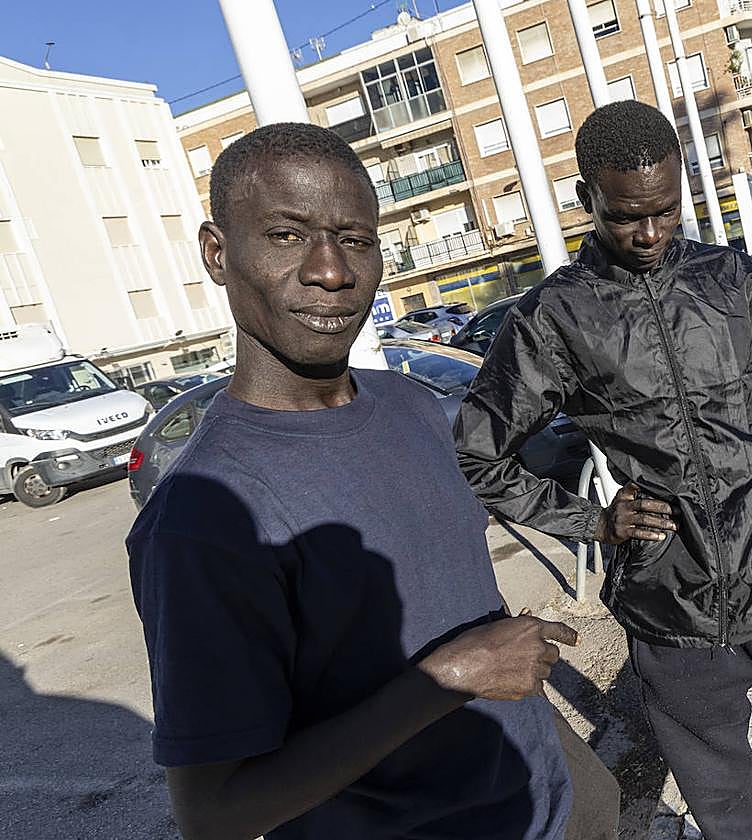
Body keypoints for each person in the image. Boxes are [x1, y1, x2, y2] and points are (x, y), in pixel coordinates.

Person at [126, 123, 619, 840]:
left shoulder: (412, 405)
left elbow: (459, 596)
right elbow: (215, 812)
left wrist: (576, 776)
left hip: (550, 798)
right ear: (216, 253)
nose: (332, 271)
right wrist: (448, 679)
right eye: (288, 236)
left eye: (356, 239)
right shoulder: (203, 518)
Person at [454, 101, 752, 840]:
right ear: (588, 201)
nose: (648, 233)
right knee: (730, 815)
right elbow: (477, 452)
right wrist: (594, 523)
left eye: (666, 211)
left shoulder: (732, 279)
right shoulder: (554, 318)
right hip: (673, 614)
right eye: (625, 216)